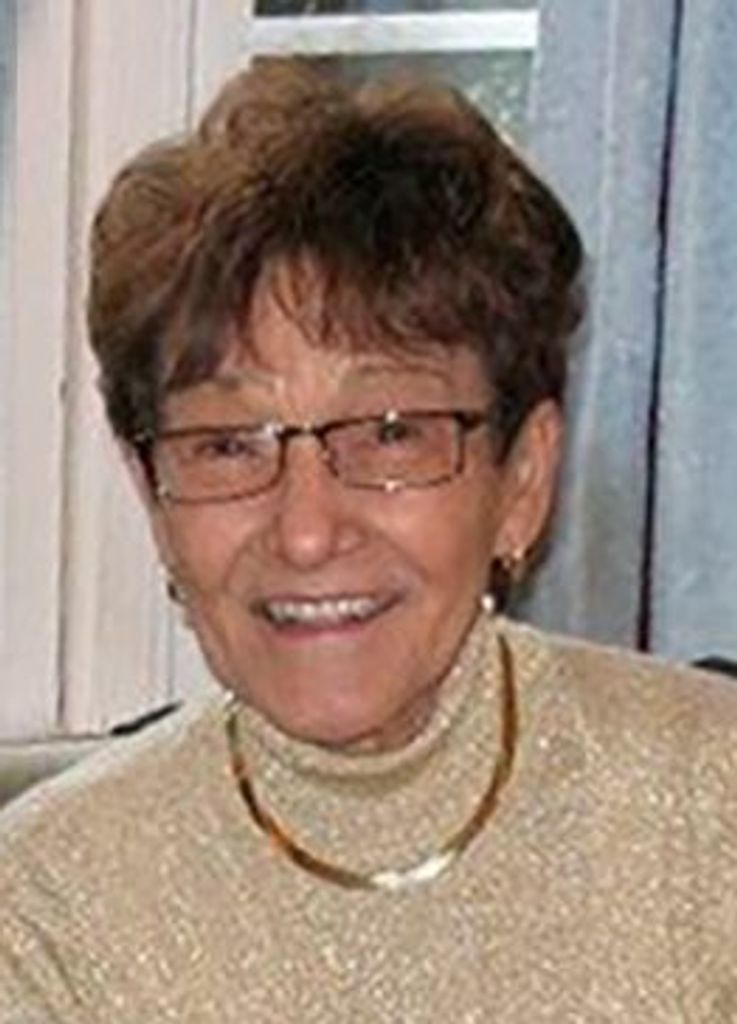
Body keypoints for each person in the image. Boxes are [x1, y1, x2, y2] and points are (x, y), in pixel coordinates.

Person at [1, 59, 736, 1023]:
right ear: (153, 496)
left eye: (391, 433)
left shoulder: (711, 812)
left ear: (521, 480)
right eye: (227, 444)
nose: (307, 531)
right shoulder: (47, 908)